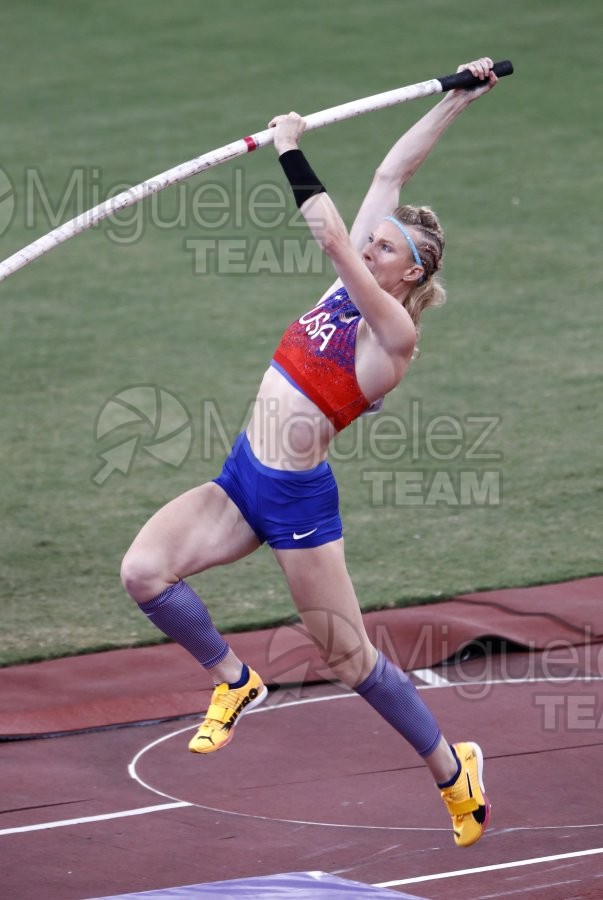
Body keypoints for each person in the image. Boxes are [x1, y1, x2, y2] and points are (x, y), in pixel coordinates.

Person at [121, 57, 498, 848]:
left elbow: (328, 230)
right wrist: (457, 98)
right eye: (378, 237)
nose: (374, 241)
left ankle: (451, 769)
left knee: (347, 658)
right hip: (241, 475)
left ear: (410, 273)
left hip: (295, 502)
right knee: (144, 572)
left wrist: (290, 145)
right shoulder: (350, 284)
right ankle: (234, 680)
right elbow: (395, 168)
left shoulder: (393, 334)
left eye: (388, 246)